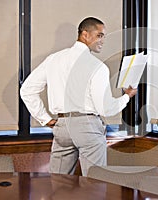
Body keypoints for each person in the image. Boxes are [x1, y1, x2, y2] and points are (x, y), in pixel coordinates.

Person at [20, 17, 137, 176]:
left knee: (57, 182)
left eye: (104, 36)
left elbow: (26, 90)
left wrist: (45, 119)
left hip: (62, 126)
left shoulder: (53, 59)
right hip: (87, 126)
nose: (102, 40)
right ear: (85, 34)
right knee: (95, 184)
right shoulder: (97, 67)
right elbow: (106, 108)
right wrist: (127, 97)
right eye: (99, 35)